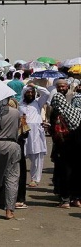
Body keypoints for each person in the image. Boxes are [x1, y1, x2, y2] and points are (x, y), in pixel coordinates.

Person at [49, 79, 81, 208]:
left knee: (65, 172)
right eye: (59, 86)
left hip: (64, 146)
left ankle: (65, 200)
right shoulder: (75, 112)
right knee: (76, 171)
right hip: (76, 146)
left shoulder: (57, 112)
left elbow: (54, 130)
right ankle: (76, 198)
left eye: (63, 86)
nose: (61, 88)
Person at [19, 84, 50, 187]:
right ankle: (19, 178)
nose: (30, 94)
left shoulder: (38, 102)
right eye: (28, 92)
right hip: (23, 132)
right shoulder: (20, 104)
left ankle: (34, 179)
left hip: (36, 133)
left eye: (32, 92)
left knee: (37, 156)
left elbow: (46, 93)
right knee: (20, 156)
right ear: (24, 93)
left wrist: (36, 86)